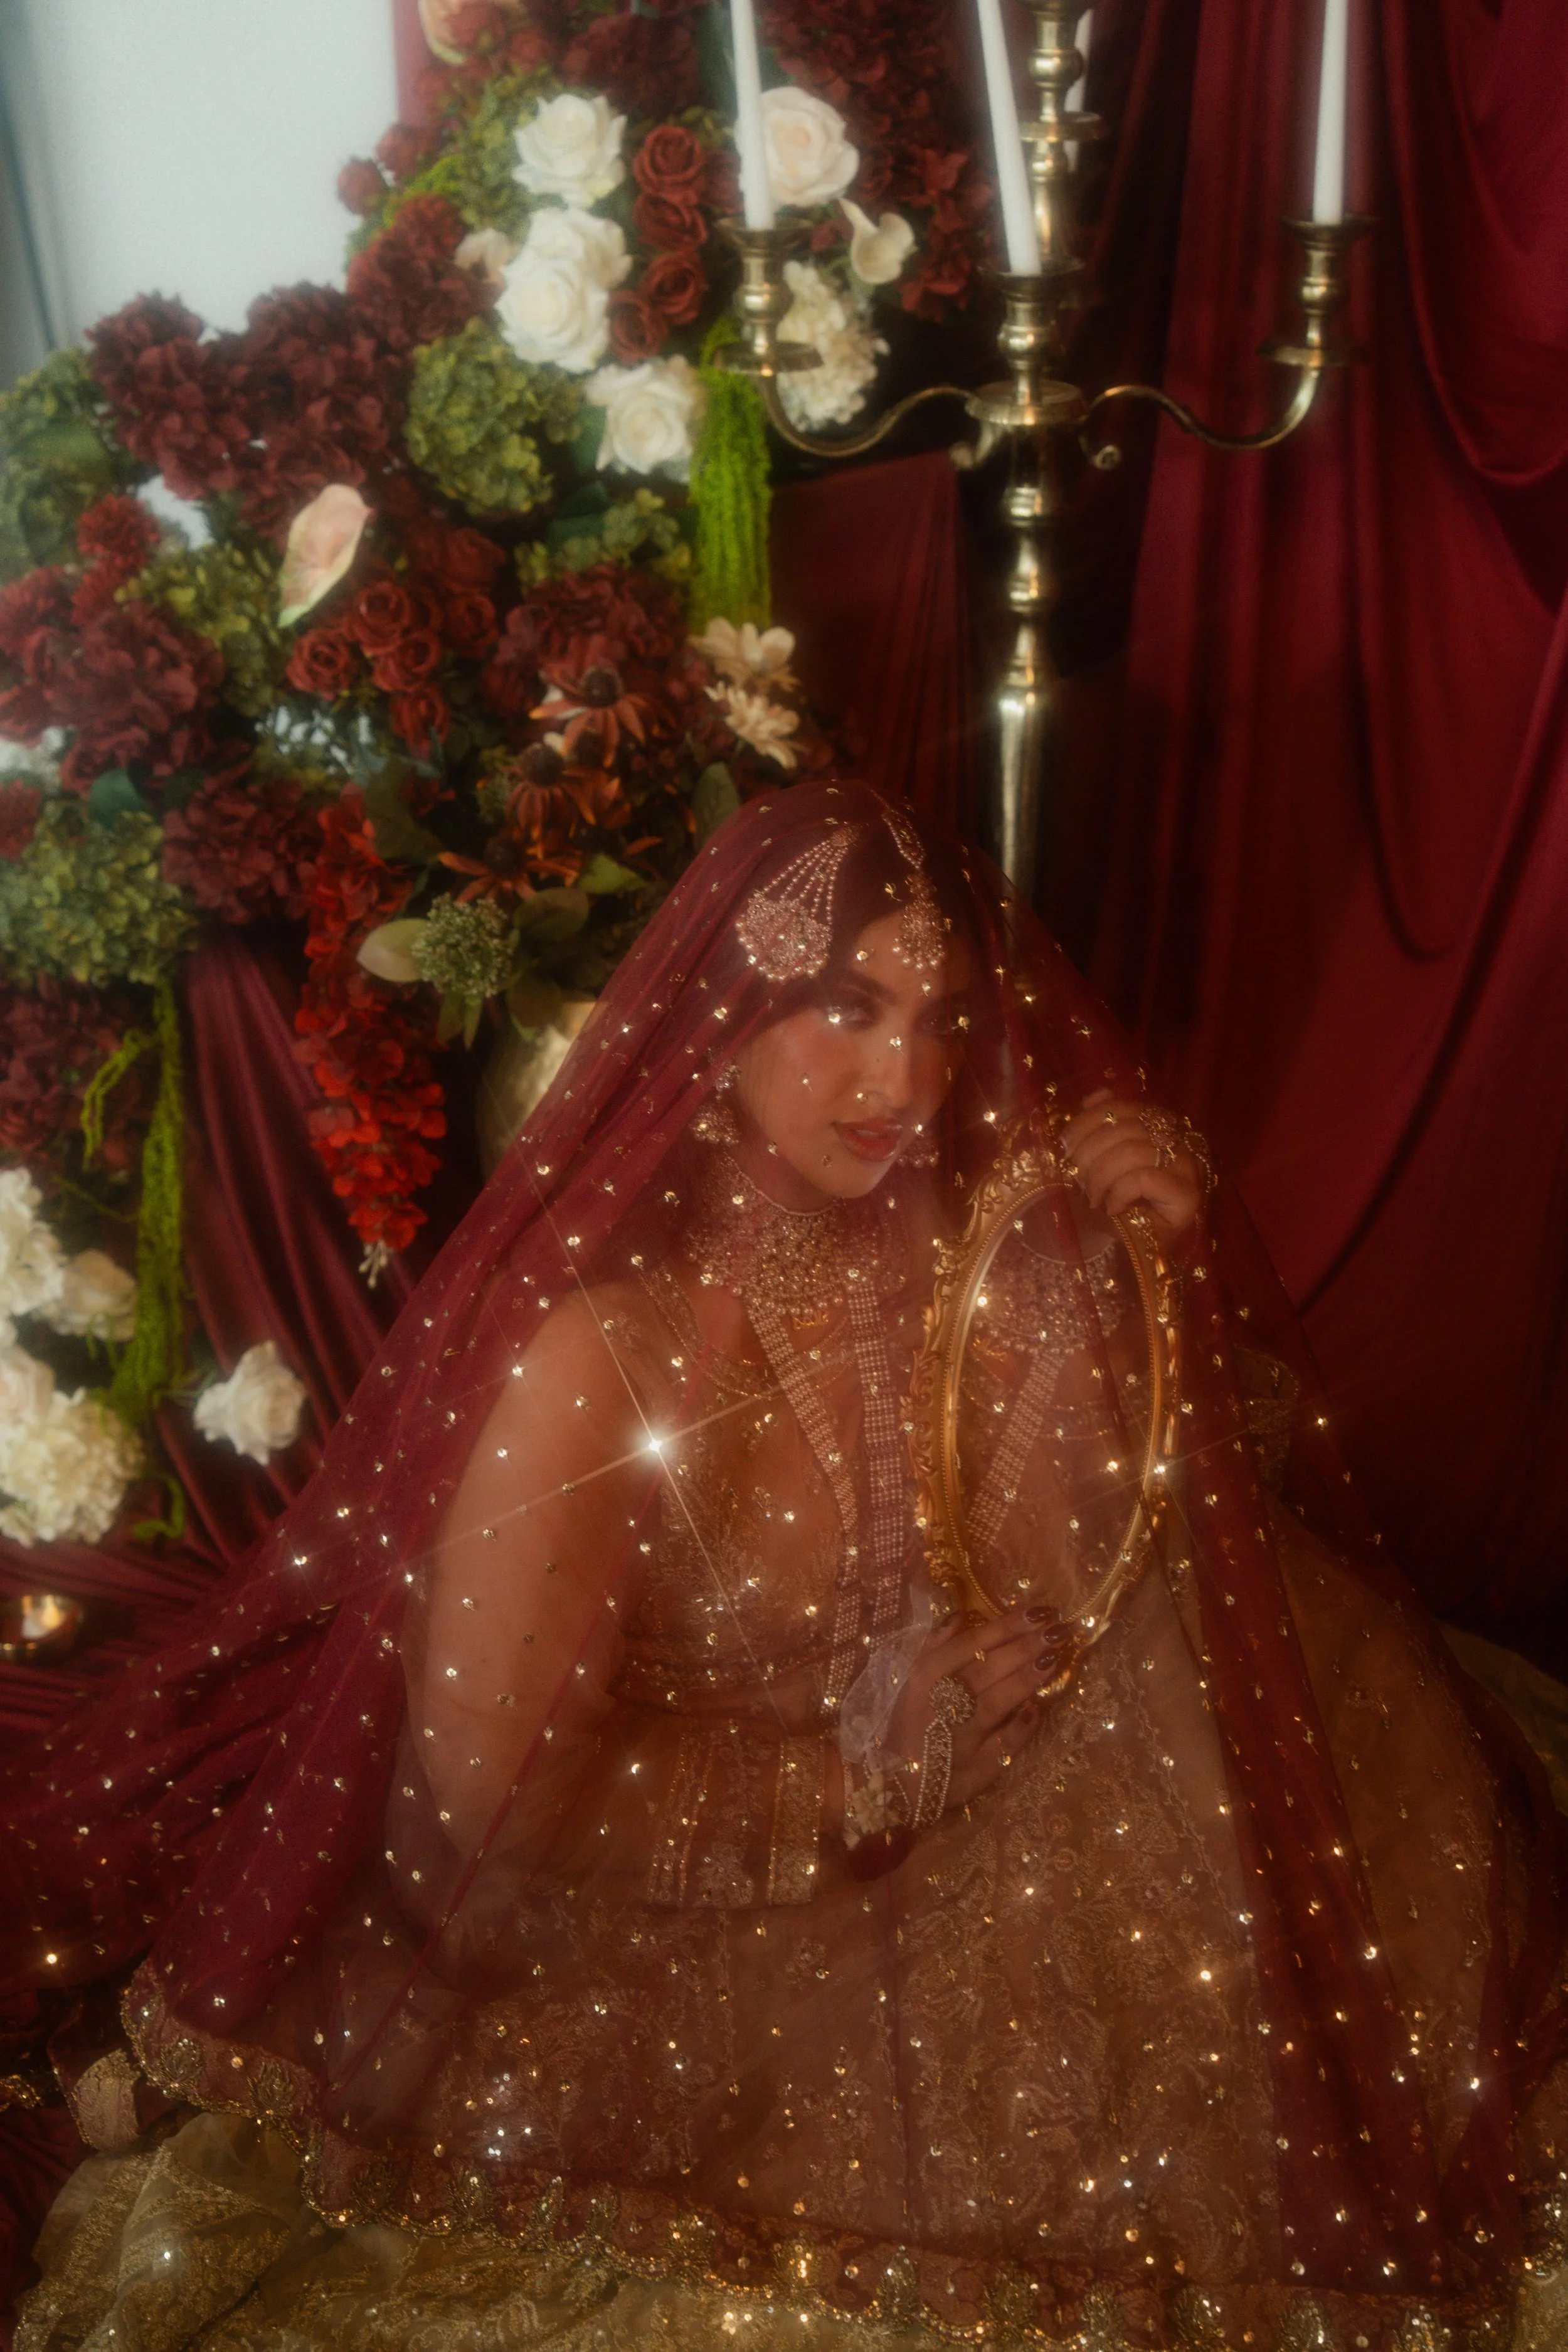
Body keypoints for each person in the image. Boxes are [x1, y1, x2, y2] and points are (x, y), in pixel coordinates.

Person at [4, 785, 1567, 2352]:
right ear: (721, 1018)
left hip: (998, 1819)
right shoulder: (600, 1357)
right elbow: (498, 1800)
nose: (909, 1080)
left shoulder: (972, 1256)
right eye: (848, 1009)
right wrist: (859, 1782)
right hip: (687, 1925)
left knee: (1268, 1906)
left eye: (942, 1022)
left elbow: (1142, 1550)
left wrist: (1148, 1267)